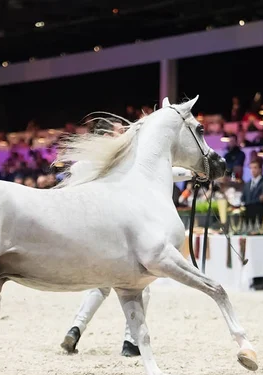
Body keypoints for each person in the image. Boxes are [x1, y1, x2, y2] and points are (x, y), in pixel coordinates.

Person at [61, 117, 195, 357]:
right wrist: (190, 173)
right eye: (118, 133)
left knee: (100, 286)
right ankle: (131, 342)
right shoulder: (114, 163)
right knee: (140, 285)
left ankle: (75, 328)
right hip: (115, 234)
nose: (123, 137)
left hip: (90, 236)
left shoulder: (83, 165)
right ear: (104, 137)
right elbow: (158, 172)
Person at [240, 159, 263, 224]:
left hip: (260, 217)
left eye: (255, 167)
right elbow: (243, 198)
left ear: (260, 169)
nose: (252, 170)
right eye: (251, 168)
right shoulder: (247, 184)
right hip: (248, 217)